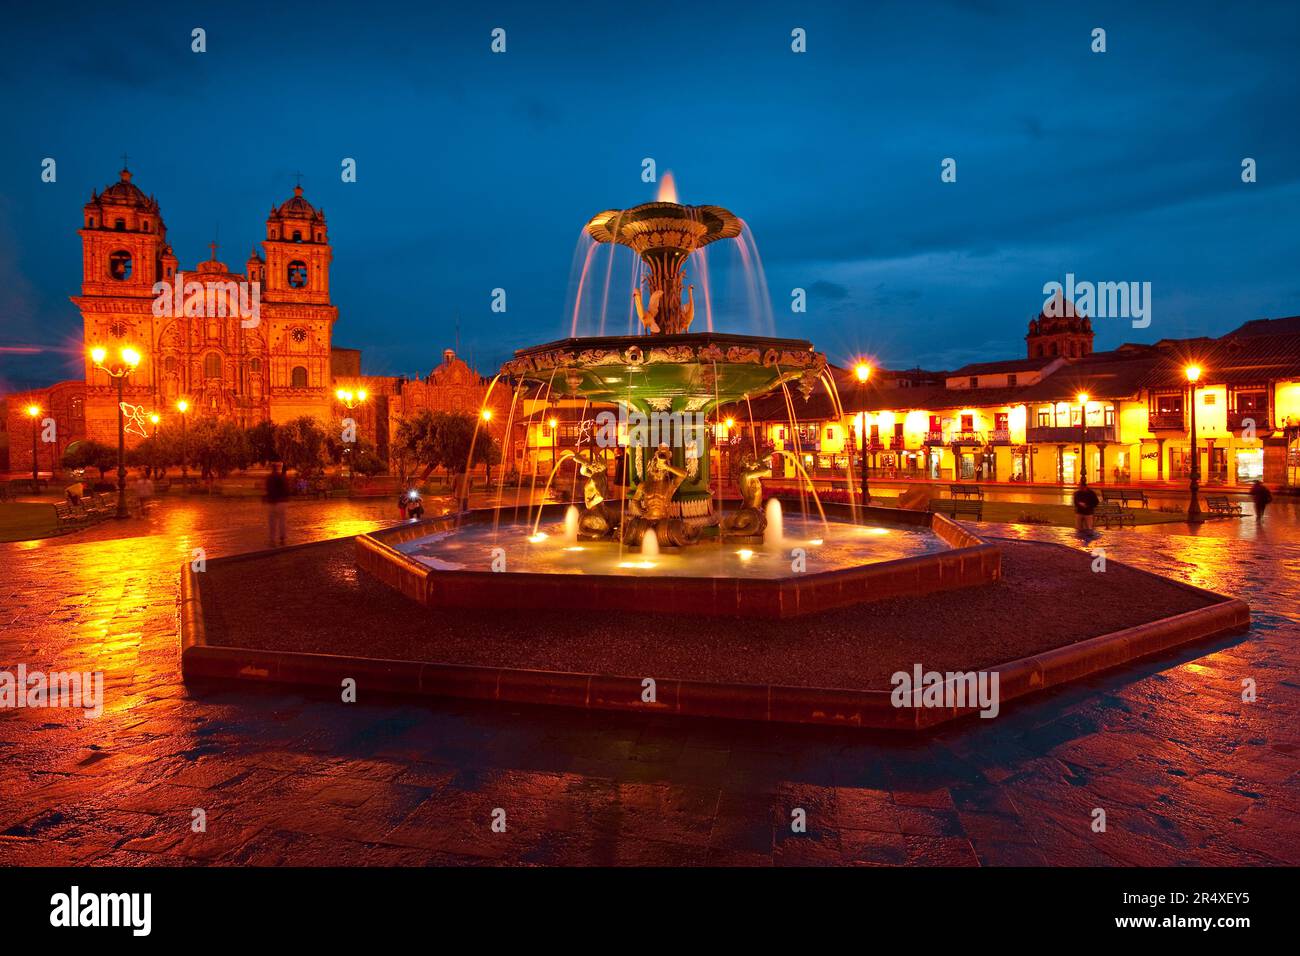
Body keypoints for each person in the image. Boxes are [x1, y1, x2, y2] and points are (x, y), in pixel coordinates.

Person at [264, 463, 290, 547]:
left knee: (272, 522)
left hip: (272, 502)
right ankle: (282, 537)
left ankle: (272, 539)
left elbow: (267, 489)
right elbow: (286, 489)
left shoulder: (269, 478)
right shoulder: (282, 478)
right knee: (282, 521)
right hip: (281, 502)